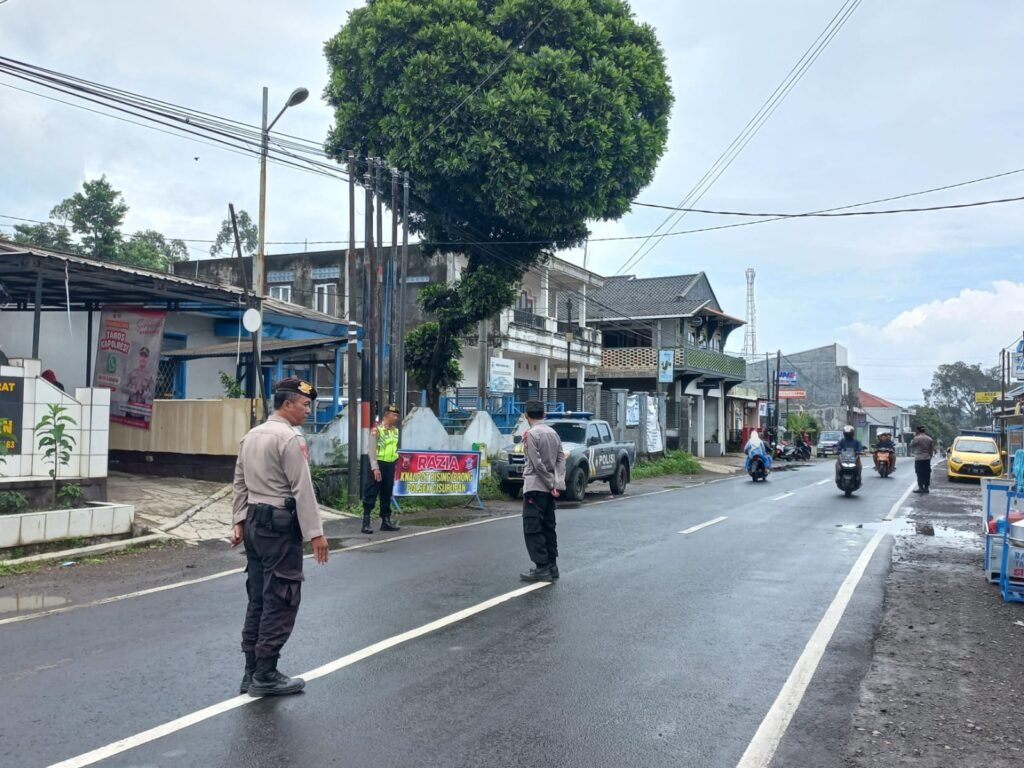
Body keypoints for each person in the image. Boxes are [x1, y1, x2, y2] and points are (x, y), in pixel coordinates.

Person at [230, 377, 329, 697]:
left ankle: (251, 671)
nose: (307, 410)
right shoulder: (289, 438)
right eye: (304, 405)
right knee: (281, 598)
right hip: (280, 526)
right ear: (287, 404)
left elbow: (239, 483)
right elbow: (302, 488)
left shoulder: (252, 436)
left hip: (256, 523)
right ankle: (266, 672)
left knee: (258, 597)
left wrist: (239, 520)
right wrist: (316, 533)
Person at [519, 400, 566, 582]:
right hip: (549, 489)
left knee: (533, 528)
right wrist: (557, 483)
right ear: (544, 414)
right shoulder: (553, 433)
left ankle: (541, 567)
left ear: (526, 415)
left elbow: (536, 464)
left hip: (535, 487)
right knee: (548, 527)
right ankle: (552, 565)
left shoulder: (531, 434)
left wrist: (548, 483)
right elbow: (561, 458)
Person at [363, 403, 402, 534]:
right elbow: (372, 450)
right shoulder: (377, 430)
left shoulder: (395, 431)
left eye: (397, 415)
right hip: (378, 464)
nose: (396, 417)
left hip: (390, 464)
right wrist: (375, 468)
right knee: (371, 492)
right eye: (394, 415)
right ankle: (366, 522)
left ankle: (386, 521)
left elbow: (394, 448)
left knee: (387, 493)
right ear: (386, 415)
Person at [910, 425, 935, 494]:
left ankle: (921, 487)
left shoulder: (917, 438)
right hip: (927, 458)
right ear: (924, 431)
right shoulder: (929, 439)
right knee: (927, 473)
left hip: (919, 458)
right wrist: (930, 457)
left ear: (918, 431)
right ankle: (926, 488)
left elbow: (911, 445)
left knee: (919, 473)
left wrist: (914, 437)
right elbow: (931, 450)